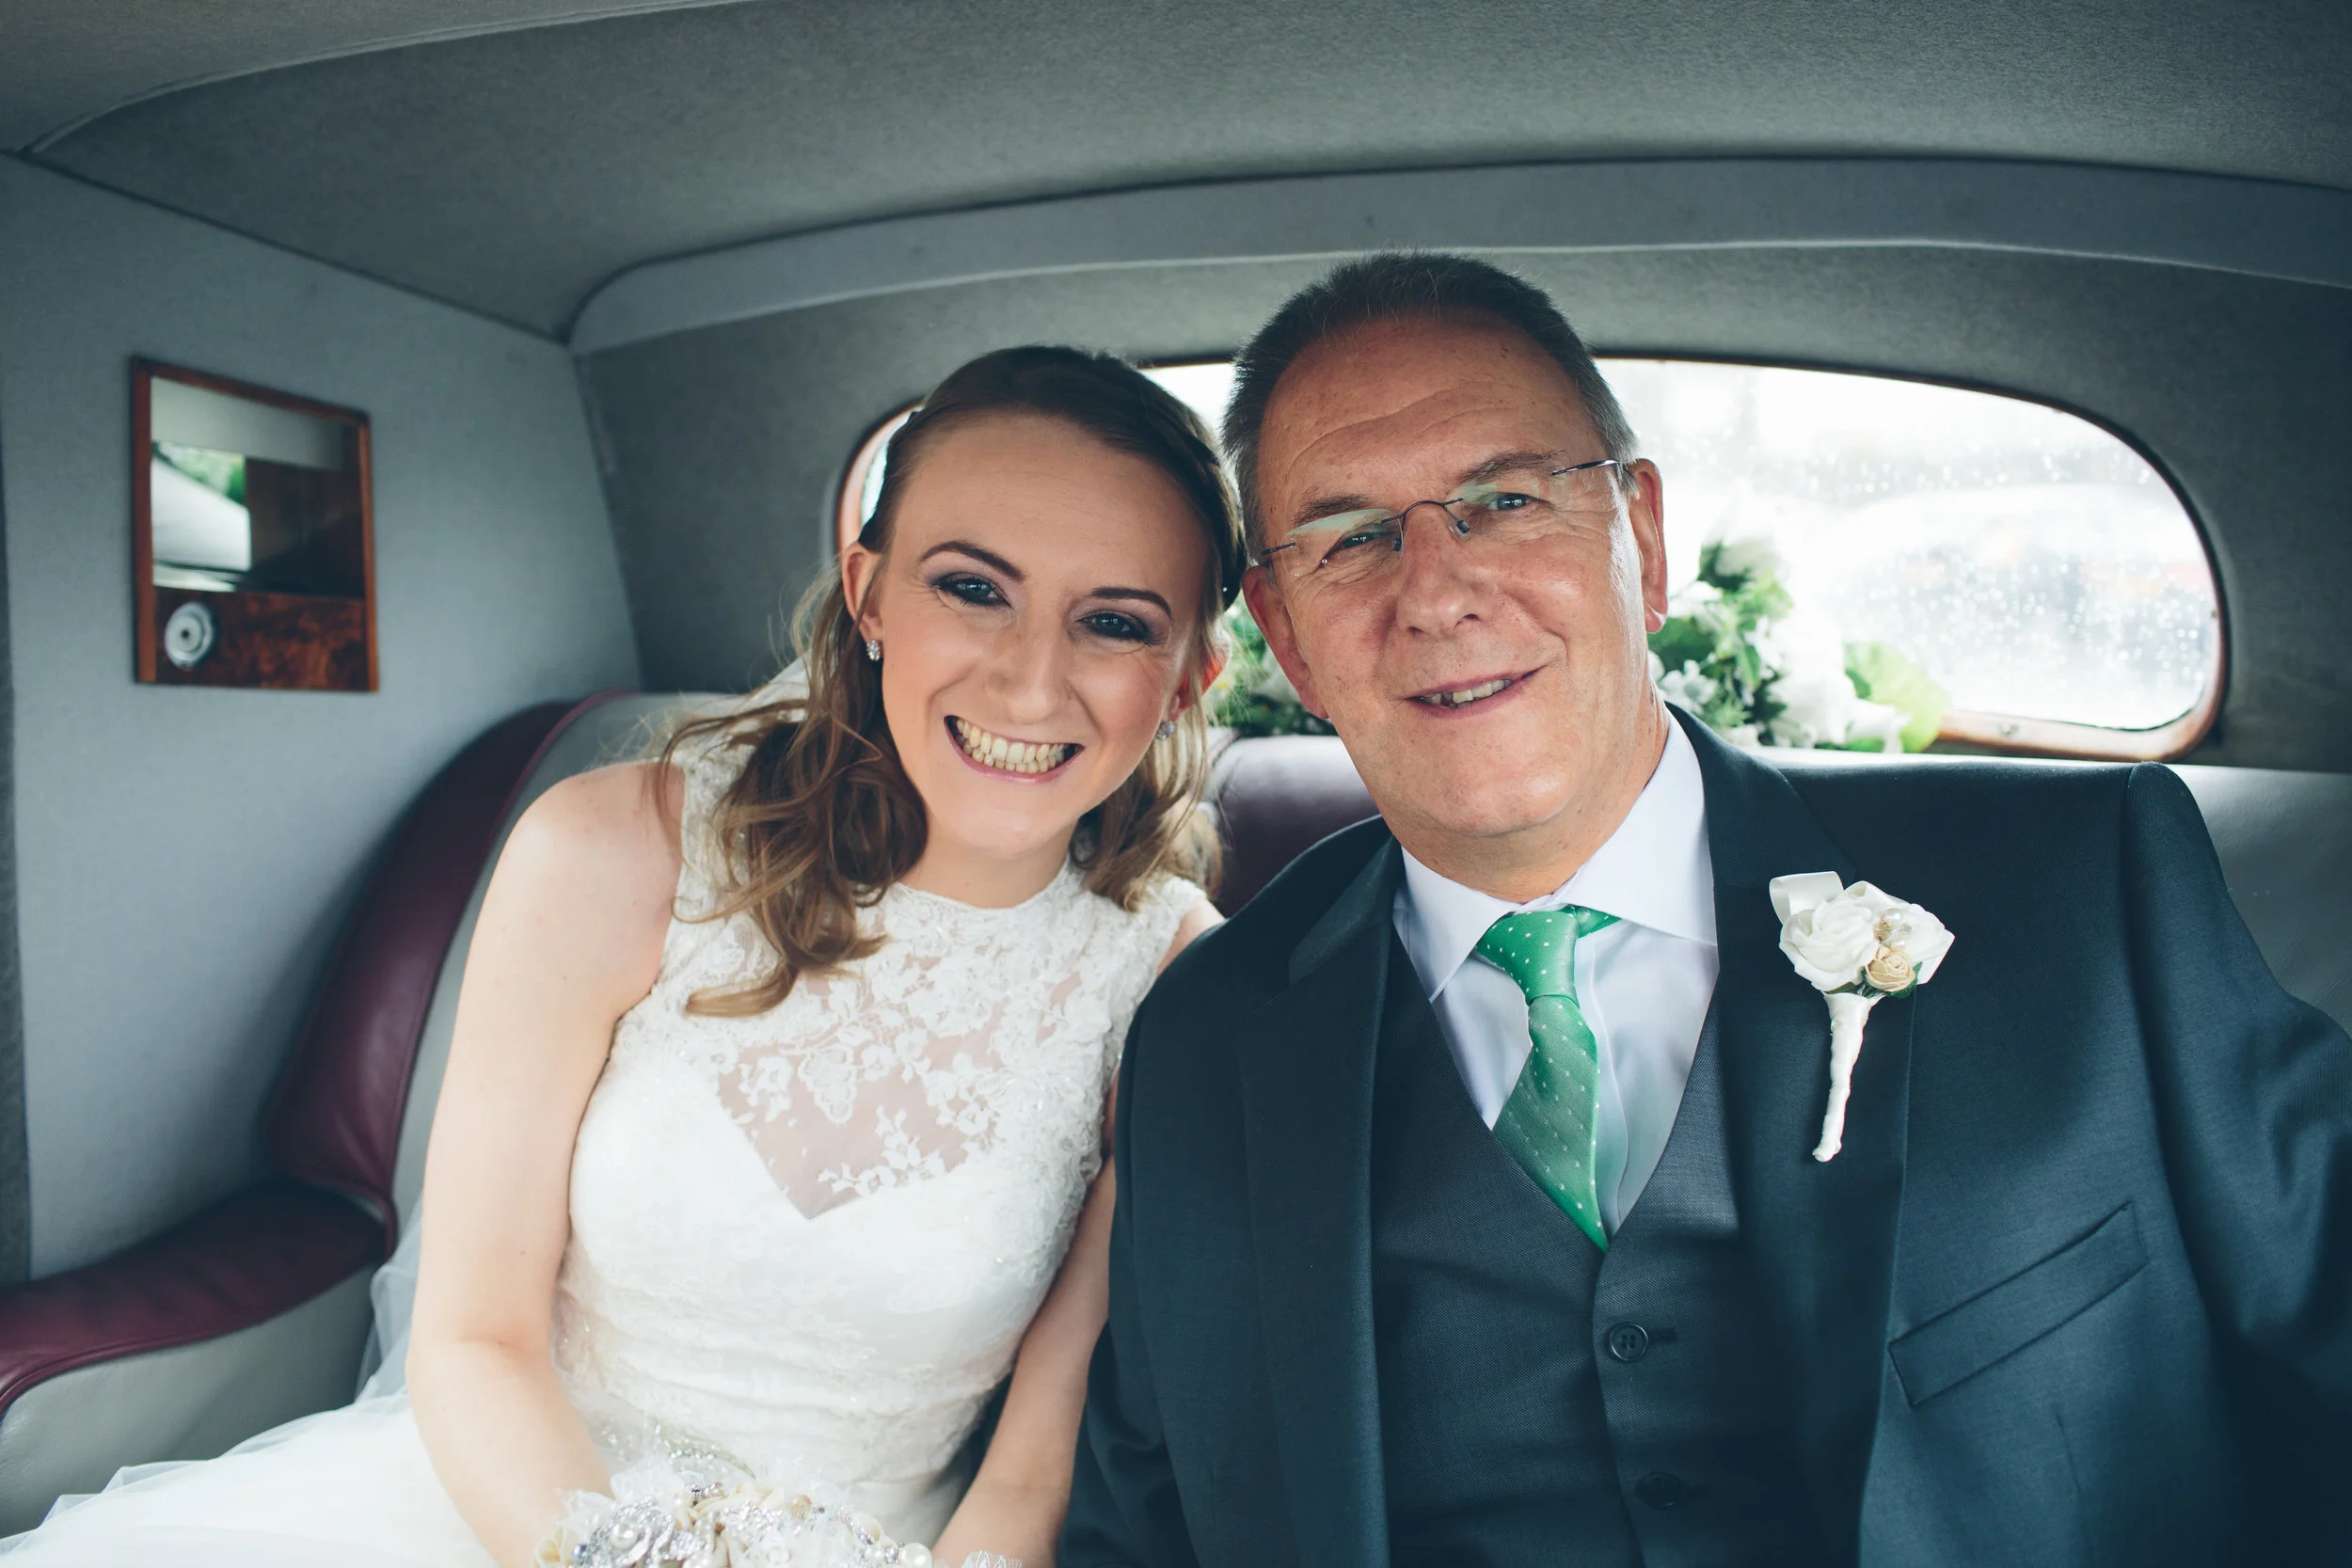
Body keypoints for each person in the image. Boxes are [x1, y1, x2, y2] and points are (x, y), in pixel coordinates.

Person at [1063, 254, 2352, 1566]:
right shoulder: (1208, 1040)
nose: (1438, 588)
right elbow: (1141, 1532)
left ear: (1644, 539)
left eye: (1505, 500)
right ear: (1286, 636)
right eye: (1352, 536)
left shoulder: (2086, 886)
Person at [6, 344, 1241, 1568]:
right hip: (513, 1509)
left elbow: (1037, 1466)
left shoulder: (1172, 974)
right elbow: (474, 1336)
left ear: (1192, 674)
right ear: (868, 594)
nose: (1031, 681)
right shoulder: (612, 850)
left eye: (1116, 622)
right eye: (973, 588)